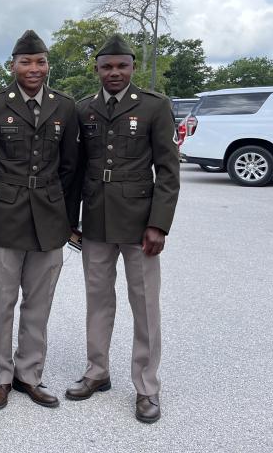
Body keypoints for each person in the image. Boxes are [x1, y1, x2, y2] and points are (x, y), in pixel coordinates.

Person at [65, 33, 180, 423]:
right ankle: (97, 372)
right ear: (96, 69)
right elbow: (76, 170)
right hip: (95, 221)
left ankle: (147, 387)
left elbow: (167, 170)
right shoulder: (84, 109)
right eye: (107, 66)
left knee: (145, 305)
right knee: (98, 302)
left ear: (131, 67)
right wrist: (71, 220)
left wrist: (158, 224)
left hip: (138, 224)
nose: (114, 73)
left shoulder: (154, 106)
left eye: (122, 66)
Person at [0, 29, 79, 411]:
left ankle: (29, 375)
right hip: (3, 214)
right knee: (2, 301)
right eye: (26, 61)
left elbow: (70, 168)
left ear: (47, 64)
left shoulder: (65, 106)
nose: (34, 68)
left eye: (40, 61)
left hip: (50, 216)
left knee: (39, 302)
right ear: (12, 65)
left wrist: (67, 217)